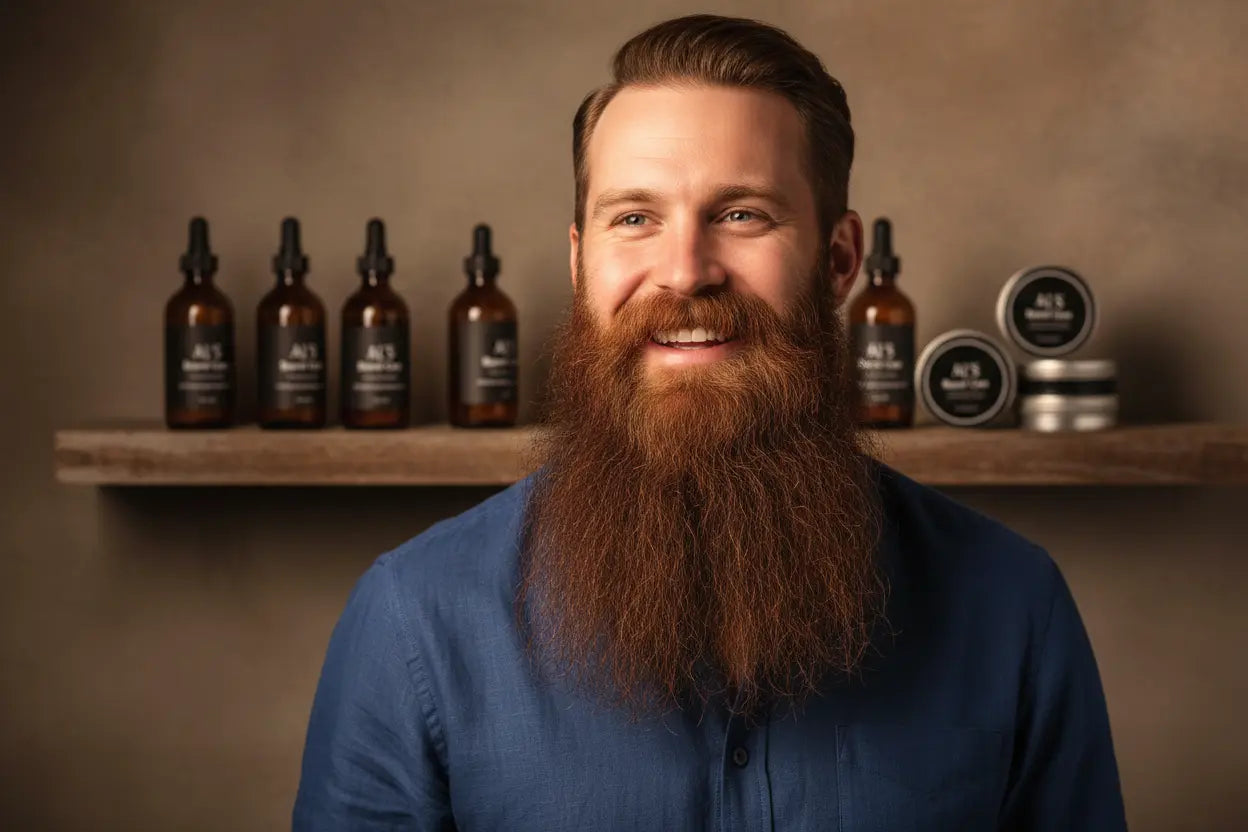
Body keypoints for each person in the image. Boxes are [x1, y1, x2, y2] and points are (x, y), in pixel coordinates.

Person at [292, 14, 1127, 831]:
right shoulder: (415, 620)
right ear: (582, 262)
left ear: (838, 260)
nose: (685, 273)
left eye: (741, 215)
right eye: (635, 218)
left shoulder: (1012, 606)